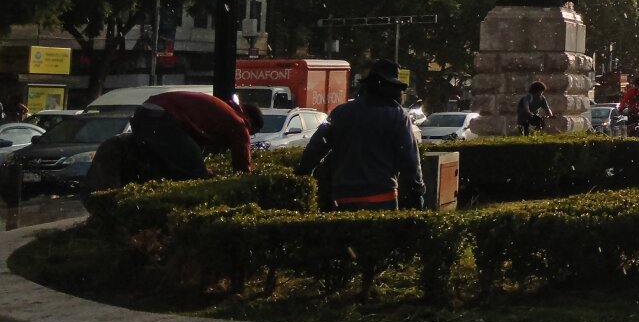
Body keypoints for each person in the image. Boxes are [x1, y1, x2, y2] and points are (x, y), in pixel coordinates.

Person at [296, 59, 425, 211]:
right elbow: (409, 160)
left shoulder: (340, 113)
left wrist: (302, 175)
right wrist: (416, 193)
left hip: (342, 197)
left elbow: (316, 147)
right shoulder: (397, 116)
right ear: (394, 89)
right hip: (382, 196)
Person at [127, 90, 264, 181]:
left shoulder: (223, 110)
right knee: (195, 173)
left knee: (161, 169)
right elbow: (242, 166)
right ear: (252, 123)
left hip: (143, 113)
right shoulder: (239, 123)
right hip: (164, 118)